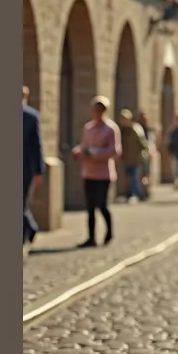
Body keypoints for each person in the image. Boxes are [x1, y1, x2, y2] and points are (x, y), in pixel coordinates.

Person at [71, 96, 121, 247]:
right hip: (89, 172)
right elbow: (84, 145)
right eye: (94, 110)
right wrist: (79, 151)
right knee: (90, 206)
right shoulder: (88, 128)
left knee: (102, 204)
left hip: (103, 173)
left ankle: (109, 232)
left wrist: (94, 153)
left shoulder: (111, 129)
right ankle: (91, 237)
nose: (96, 113)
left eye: (99, 110)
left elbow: (115, 151)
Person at [22, 87, 46, 250]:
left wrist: (38, 170)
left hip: (25, 167)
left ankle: (27, 232)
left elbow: (36, 146)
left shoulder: (30, 117)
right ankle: (30, 228)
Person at [118, 109, 149, 202]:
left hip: (136, 158)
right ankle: (132, 194)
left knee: (134, 178)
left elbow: (143, 143)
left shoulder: (135, 129)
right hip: (126, 159)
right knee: (128, 178)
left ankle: (136, 194)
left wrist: (144, 155)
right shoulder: (121, 130)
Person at [137, 110, 154, 199]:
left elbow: (151, 141)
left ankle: (147, 190)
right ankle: (142, 191)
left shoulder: (149, 129)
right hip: (141, 154)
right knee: (142, 174)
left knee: (147, 173)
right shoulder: (139, 129)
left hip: (148, 154)